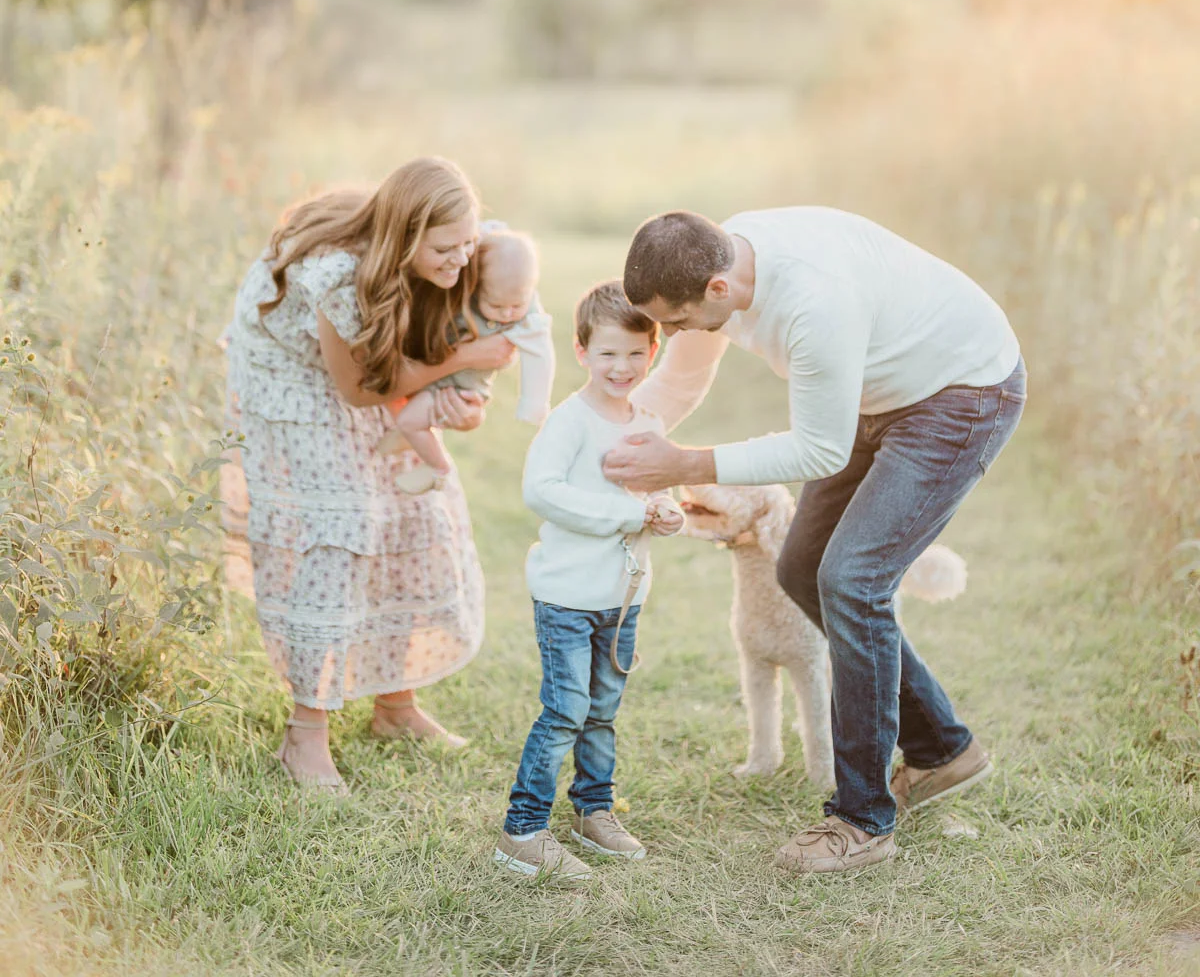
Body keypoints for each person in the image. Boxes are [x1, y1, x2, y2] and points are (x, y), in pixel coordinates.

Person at [602, 206, 1026, 875]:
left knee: (852, 579)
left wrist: (684, 464)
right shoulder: (720, 259)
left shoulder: (814, 302)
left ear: (717, 291)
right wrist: (607, 442)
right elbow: (681, 379)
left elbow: (818, 448)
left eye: (676, 321)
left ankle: (863, 819)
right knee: (800, 567)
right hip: (880, 388)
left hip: (961, 392)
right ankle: (943, 751)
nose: (671, 334)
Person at [222, 156, 516, 792]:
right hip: (290, 386)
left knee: (414, 509)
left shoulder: (452, 242)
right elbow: (361, 391)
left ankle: (394, 705)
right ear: (405, 236)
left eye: (468, 241)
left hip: (355, 370)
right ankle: (305, 735)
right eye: (446, 248)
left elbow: (419, 352)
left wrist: (461, 392)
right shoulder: (338, 277)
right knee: (343, 531)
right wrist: (462, 359)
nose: (461, 258)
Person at [494, 281, 685, 881]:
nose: (621, 366)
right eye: (607, 353)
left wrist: (668, 508)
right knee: (566, 710)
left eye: (634, 352)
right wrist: (631, 514)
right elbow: (542, 492)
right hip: (568, 598)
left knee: (602, 711)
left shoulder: (648, 420)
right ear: (581, 352)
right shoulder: (569, 421)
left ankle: (593, 812)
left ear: (652, 350)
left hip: (623, 599)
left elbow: (656, 487)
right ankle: (522, 830)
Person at [379, 226, 555, 491]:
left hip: (462, 389)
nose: (507, 314)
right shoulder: (466, 282)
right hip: (431, 374)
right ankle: (410, 439)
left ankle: (439, 468)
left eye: (516, 306)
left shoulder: (528, 315)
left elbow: (541, 355)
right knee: (404, 415)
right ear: (476, 286)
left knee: (408, 420)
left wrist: (534, 406)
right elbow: (483, 236)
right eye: (495, 306)